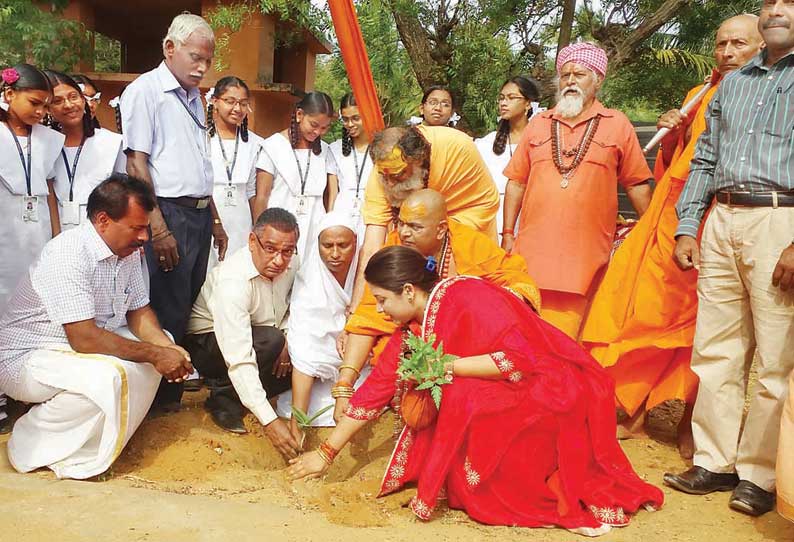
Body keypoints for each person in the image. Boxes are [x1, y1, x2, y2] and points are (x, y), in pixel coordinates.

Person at [289, 246, 663, 534]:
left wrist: (445, 367)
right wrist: (326, 453)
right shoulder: (411, 330)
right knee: (457, 395)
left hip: (550, 387)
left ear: (407, 290)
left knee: (463, 397)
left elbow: (518, 360)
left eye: (382, 299)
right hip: (511, 387)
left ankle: (523, 489)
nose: (381, 309)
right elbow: (373, 393)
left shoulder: (466, 296)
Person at [580, 15, 763, 459]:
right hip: (676, 218)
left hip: (727, 215)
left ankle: (690, 422)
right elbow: (678, 161)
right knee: (645, 312)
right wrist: (672, 133)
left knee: (707, 326)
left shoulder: (769, 94)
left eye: (738, 43)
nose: (726, 52)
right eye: (721, 44)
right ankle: (637, 411)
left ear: (761, 47)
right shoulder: (696, 95)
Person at [664, 1, 794, 517]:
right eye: (770, 4)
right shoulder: (733, 85)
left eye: (789, 4)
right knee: (716, 347)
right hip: (721, 221)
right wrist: (687, 225)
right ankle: (715, 461)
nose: (778, 10)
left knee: (775, 357)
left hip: (781, 220)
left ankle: (760, 475)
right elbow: (705, 158)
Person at [0, 174, 193, 479]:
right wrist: (155, 355)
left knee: (163, 340)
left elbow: (139, 312)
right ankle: (30, 445)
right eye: (137, 227)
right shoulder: (69, 252)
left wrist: (167, 349)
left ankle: (103, 440)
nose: (145, 236)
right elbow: (84, 339)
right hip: (27, 355)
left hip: (73, 347)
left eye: (146, 227)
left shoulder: (126, 250)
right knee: (110, 377)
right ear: (103, 220)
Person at [336, 189, 540, 421]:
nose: (403, 233)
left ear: (441, 229)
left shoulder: (468, 244)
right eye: (400, 223)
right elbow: (369, 317)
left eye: (414, 227)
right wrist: (344, 384)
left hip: (470, 348)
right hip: (413, 340)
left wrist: (485, 315)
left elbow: (517, 285)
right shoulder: (394, 247)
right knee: (393, 356)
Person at [502, 42, 653, 339]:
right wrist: (507, 234)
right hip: (532, 253)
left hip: (587, 258)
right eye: (566, 74)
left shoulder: (617, 124)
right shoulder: (539, 124)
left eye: (580, 74)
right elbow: (516, 182)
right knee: (527, 337)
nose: (571, 81)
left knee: (573, 343)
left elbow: (636, 183)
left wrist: (650, 236)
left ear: (598, 80)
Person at [121, 13, 228, 410]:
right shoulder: (145, 91)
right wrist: (159, 229)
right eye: (195, 57)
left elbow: (199, 166)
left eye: (207, 61)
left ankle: (173, 388)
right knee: (164, 306)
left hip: (198, 216)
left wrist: (213, 218)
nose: (202, 68)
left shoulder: (194, 97)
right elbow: (137, 165)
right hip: (166, 214)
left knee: (188, 305)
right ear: (170, 48)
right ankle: (154, 402)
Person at [182, 208, 302, 458]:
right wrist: (271, 422)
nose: (279, 260)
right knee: (270, 341)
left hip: (266, 336)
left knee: (303, 361)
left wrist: (288, 339)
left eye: (287, 251)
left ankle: (236, 393)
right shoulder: (233, 282)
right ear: (251, 241)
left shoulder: (293, 265)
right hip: (210, 343)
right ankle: (223, 396)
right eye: (270, 249)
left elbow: (298, 307)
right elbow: (238, 355)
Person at [353, 124, 500, 308]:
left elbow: (484, 202)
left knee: (464, 302)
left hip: (464, 229)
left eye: (399, 175)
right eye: (384, 176)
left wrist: (435, 238)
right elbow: (372, 243)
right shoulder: (385, 168)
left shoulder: (456, 147)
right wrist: (356, 308)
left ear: (419, 159)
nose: (390, 184)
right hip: (415, 232)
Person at [276, 212, 364, 434]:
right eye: (327, 245)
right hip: (320, 354)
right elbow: (304, 336)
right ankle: (298, 426)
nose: (335, 254)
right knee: (305, 348)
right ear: (317, 245)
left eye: (343, 245)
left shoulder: (366, 275)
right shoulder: (308, 279)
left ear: (356, 243)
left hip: (357, 357)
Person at [0, 64, 63, 313]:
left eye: (46, 106)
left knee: (35, 296)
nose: (40, 112)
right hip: (6, 229)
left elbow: (49, 192)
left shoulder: (47, 139)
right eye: (34, 102)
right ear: (10, 94)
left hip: (38, 231)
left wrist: (57, 238)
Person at [257, 92, 338, 262]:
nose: (318, 132)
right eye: (314, 125)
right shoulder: (273, 146)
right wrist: (260, 234)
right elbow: (262, 196)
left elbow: (331, 194)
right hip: (280, 224)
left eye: (324, 128)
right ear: (300, 115)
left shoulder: (325, 150)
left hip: (314, 226)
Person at [47, 70, 126, 230]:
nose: (68, 105)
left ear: (83, 100)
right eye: (57, 101)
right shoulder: (45, 145)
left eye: (73, 97)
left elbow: (125, 193)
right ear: (48, 109)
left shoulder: (111, 142)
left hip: (104, 233)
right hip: (57, 233)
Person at [206, 76, 265, 269]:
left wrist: (259, 230)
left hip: (241, 221)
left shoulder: (256, 144)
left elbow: (252, 192)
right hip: (208, 217)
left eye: (243, 103)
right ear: (215, 101)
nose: (237, 109)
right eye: (230, 102)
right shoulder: (202, 139)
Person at [475, 76, 540, 235]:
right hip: (493, 222)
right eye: (502, 98)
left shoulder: (541, 140)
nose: (503, 103)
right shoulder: (485, 144)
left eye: (511, 98)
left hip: (532, 221)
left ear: (528, 103)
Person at [329, 93, 372, 240]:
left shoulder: (381, 148)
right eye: (345, 119)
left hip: (371, 217)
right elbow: (333, 193)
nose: (350, 124)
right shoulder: (334, 149)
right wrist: (329, 222)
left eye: (355, 118)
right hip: (342, 216)